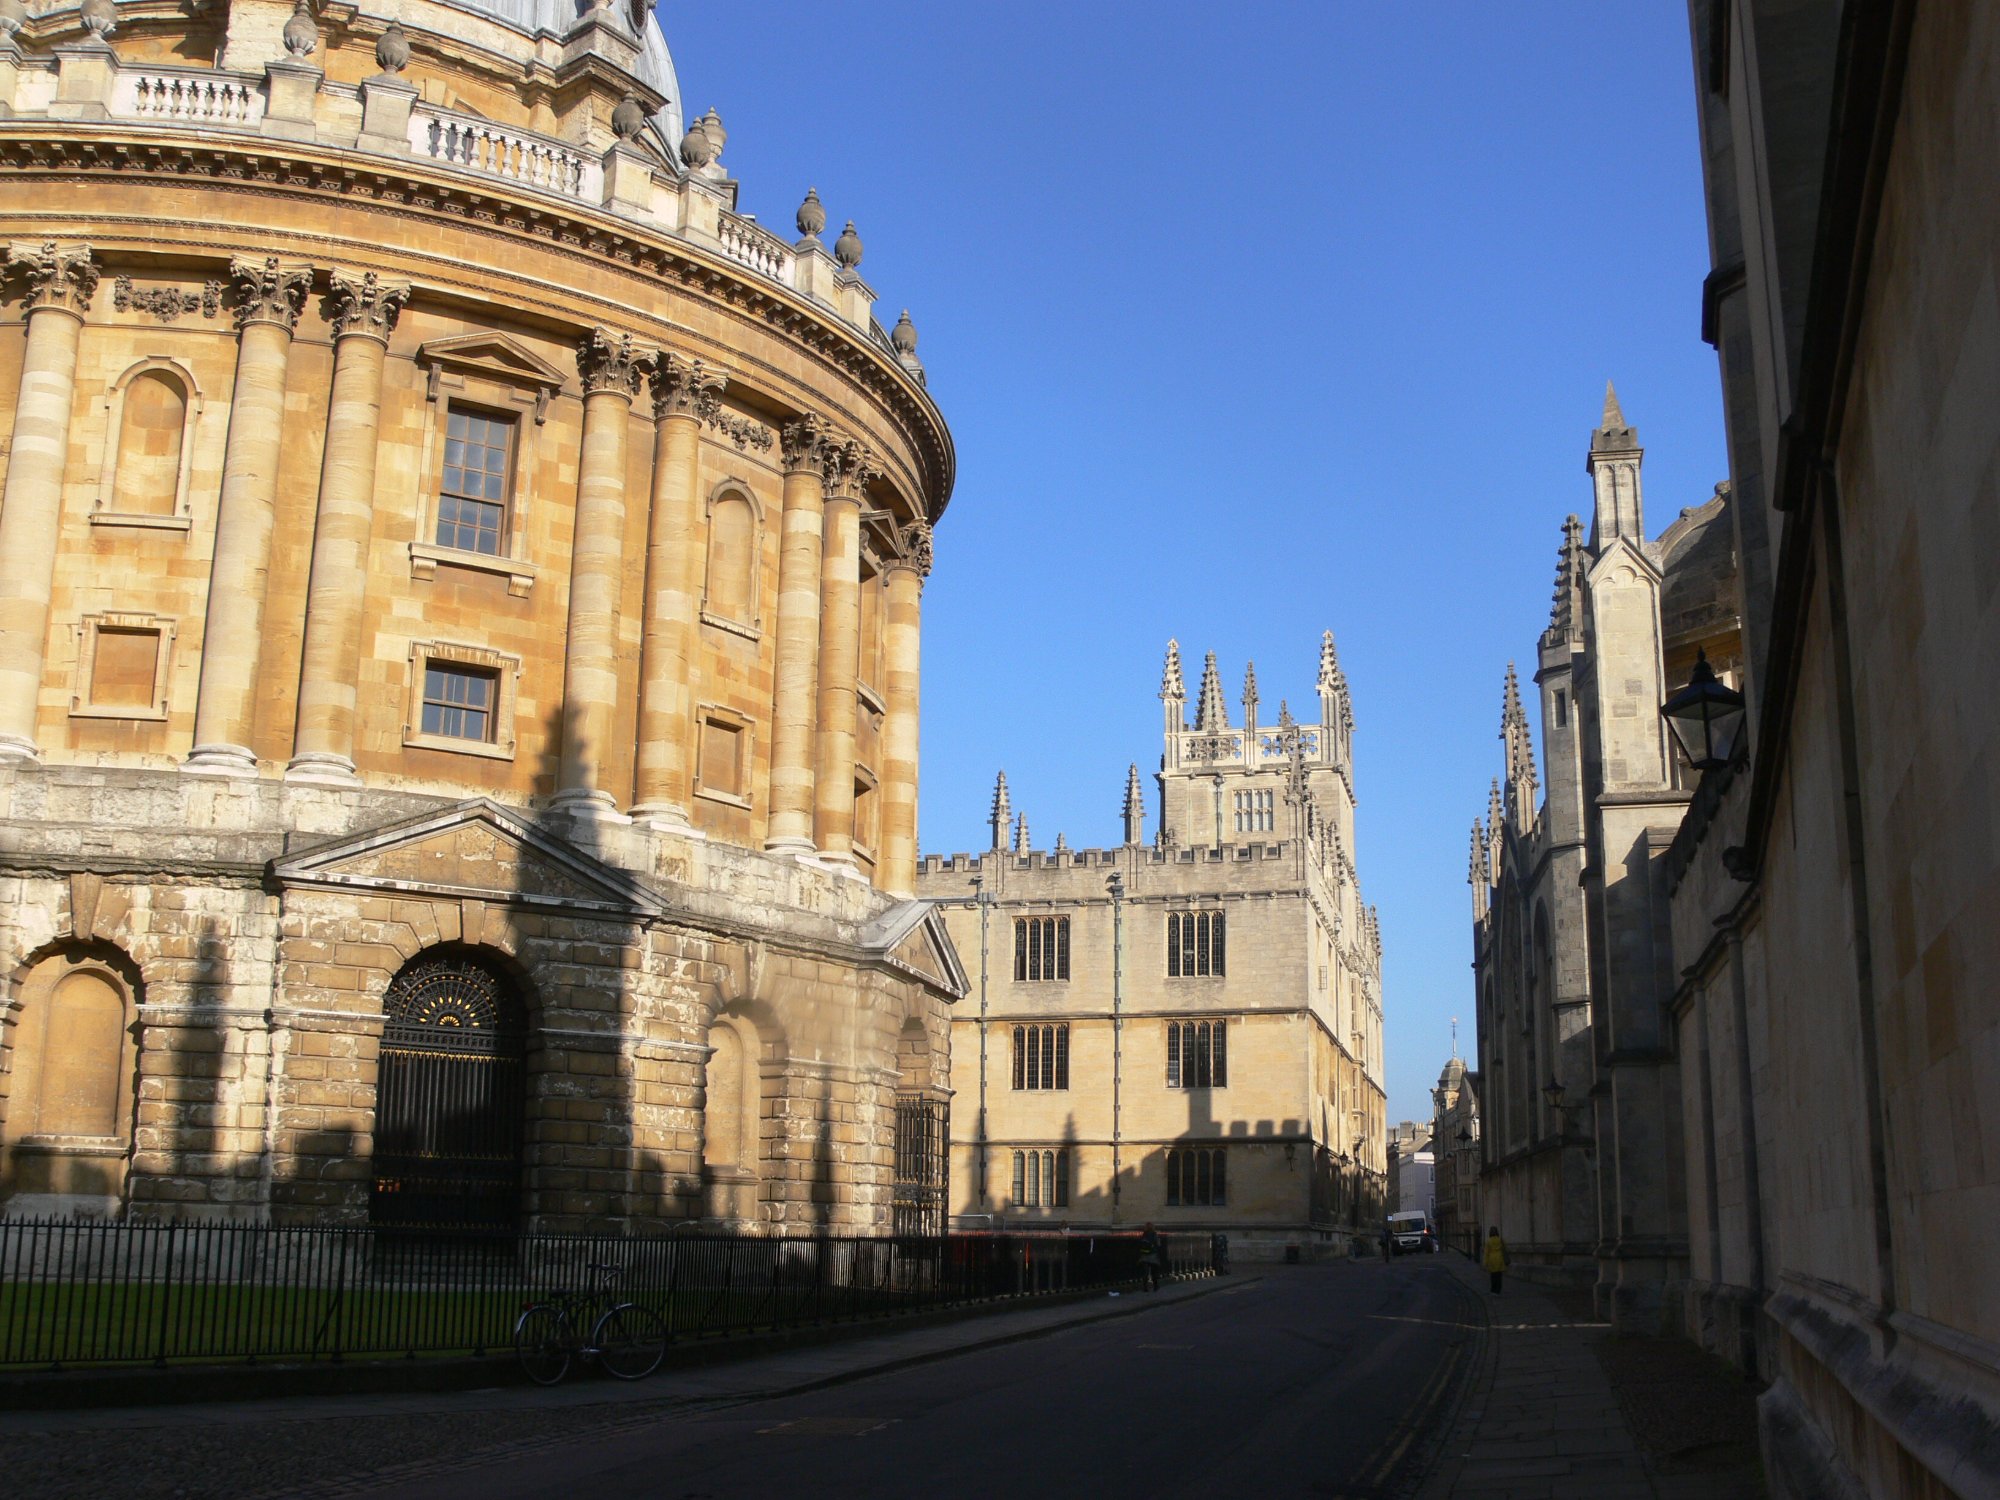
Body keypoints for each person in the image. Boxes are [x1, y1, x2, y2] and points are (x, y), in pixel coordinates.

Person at [1137, 1222, 1164, 1292]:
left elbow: (1140, 1243)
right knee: (1154, 1273)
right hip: (1153, 1256)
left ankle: (1145, 1288)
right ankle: (1155, 1286)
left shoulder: (1144, 1234)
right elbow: (1158, 1244)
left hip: (1144, 1256)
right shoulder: (1154, 1234)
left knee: (1145, 1273)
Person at [1483, 1225, 1508, 1293]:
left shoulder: (1488, 1241)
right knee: (1499, 1276)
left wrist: (1485, 1263)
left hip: (1492, 1259)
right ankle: (1498, 1290)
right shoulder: (1500, 1240)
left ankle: (1493, 1290)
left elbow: (1486, 1253)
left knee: (1493, 1275)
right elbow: (1505, 1248)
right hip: (1499, 1258)